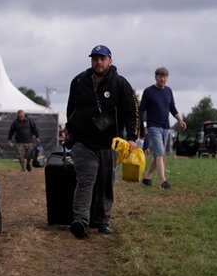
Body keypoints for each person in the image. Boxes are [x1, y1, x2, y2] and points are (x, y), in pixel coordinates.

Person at [65, 45, 139, 238]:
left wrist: (132, 138)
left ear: (110, 61)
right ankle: (80, 221)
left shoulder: (121, 83)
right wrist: (72, 130)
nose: (98, 62)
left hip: (110, 143)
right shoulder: (79, 81)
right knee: (86, 181)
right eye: (95, 58)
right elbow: (70, 108)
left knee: (106, 183)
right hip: (84, 143)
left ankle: (102, 221)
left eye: (102, 58)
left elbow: (132, 112)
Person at [139, 67, 186, 189]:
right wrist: (138, 125)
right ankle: (163, 180)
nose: (162, 79)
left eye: (165, 77)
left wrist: (180, 120)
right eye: (160, 76)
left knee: (158, 154)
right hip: (153, 126)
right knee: (160, 153)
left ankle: (147, 178)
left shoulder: (169, 91)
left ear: (167, 78)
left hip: (165, 127)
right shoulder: (148, 91)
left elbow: (172, 108)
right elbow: (141, 110)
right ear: (156, 77)